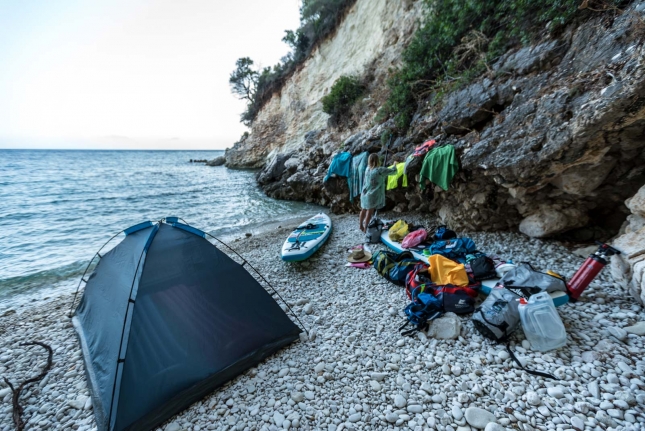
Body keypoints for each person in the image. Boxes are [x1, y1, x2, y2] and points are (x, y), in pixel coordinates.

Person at [359, 153, 397, 232]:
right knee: (369, 212)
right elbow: (393, 171)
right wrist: (395, 164)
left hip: (364, 193)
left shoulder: (367, 169)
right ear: (377, 160)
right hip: (371, 195)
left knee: (363, 209)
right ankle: (366, 228)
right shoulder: (379, 170)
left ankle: (361, 226)